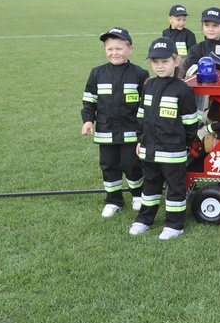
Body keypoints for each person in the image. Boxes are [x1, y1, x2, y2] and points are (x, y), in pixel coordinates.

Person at [129, 37, 202, 240]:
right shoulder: (148, 85)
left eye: (165, 61)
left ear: (176, 61)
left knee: (175, 189)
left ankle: (174, 225)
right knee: (150, 187)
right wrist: (140, 139)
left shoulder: (183, 90)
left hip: (173, 152)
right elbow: (141, 116)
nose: (160, 66)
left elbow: (190, 123)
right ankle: (144, 219)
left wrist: (184, 145)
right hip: (149, 150)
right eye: (155, 62)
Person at [81, 27, 149, 218]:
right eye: (110, 48)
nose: (114, 53)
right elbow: (89, 101)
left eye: (119, 48)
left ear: (130, 49)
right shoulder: (97, 73)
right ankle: (113, 200)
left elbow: (146, 105)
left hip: (131, 133)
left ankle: (138, 194)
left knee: (132, 165)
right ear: (105, 50)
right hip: (106, 132)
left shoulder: (140, 74)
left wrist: (144, 131)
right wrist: (88, 120)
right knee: (109, 166)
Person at [183, 7, 220, 76]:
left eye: (215, 25)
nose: (210, 29)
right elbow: (190, 74)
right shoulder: (195, 50)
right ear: (202, 26)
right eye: (207, 25)